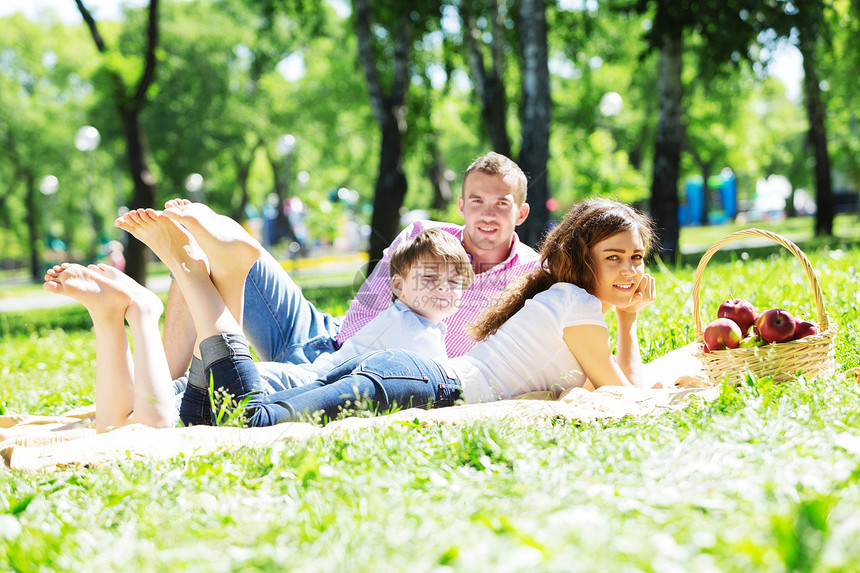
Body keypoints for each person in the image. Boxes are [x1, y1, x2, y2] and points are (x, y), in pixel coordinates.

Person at [124, 197, 661, 428]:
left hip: (406, 376)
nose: (630, 271)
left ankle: (197, 288)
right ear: (579, 258)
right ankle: (203, 276)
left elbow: (618, 380)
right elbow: (621, 394)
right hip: (420, 383)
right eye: (613, 258)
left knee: (225, 415)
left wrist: (629, 319)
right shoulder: (576, 302)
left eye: (636, 258)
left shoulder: (573, 305)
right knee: (252, 418)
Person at [159, 152, 539, 386]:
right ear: (461, 205)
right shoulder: (424, 235)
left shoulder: (532, 276)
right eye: (477, 201)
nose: (487, 214)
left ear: (520, 212)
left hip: (351, 373)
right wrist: (322, 369)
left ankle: (171, 396)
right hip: (325, 340)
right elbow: (364, 312)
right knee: (198, 253)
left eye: (501, 204)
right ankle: (160, 388)